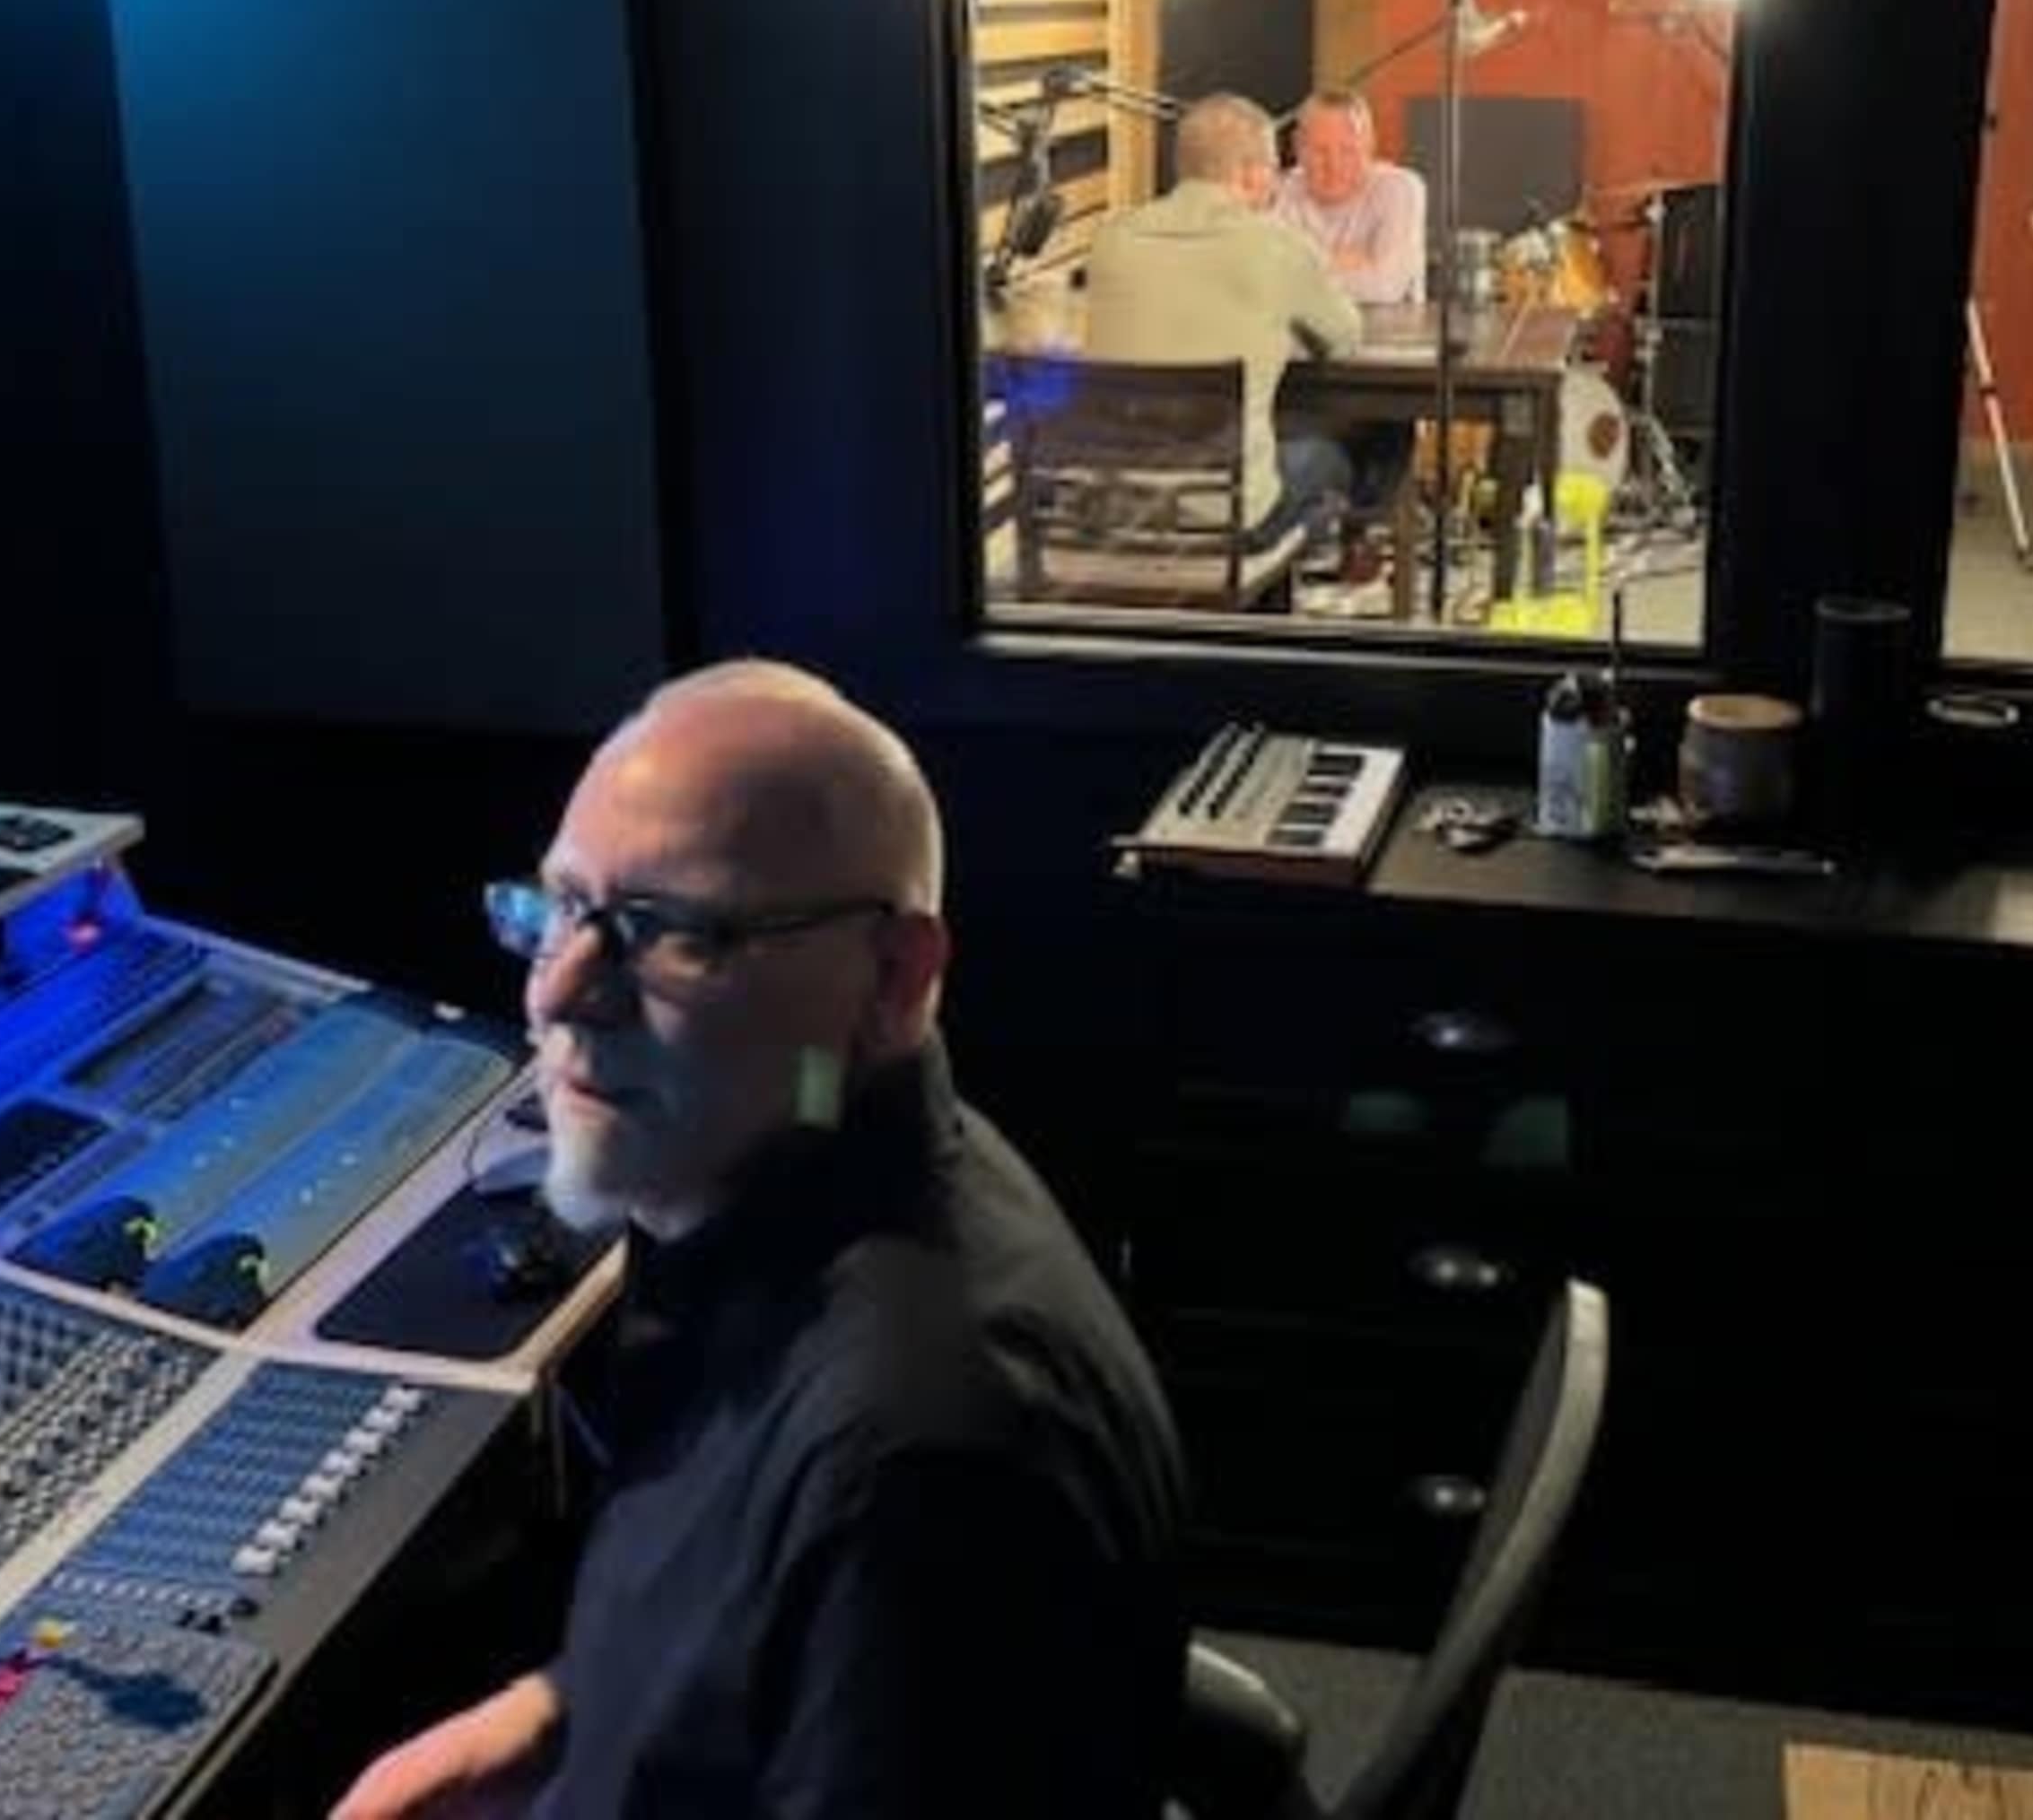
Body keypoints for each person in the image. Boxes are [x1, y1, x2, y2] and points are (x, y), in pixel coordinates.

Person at [330, 661, 1187, 1820]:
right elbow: (735, 1644)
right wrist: (551, 1720)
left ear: (894, 976)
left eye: (675, 935)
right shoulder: (753, 1193)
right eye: (558, 912)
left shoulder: (915, 1465)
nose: (564, 994)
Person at [1084, 91, 1364, 546]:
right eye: (1273, 169)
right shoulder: (1278, 247)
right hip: (1224, 519)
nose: (1274, 183)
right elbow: (1346, 338)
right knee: (1339, 454)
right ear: (1250, 174)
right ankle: (1290, 599)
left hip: (1113, 507)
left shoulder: (1109, 240)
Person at [1272, 86, 1427, 307]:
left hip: (1388, 337)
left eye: (1348, 151)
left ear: (1370, 145)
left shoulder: (1400, 189)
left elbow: (1386, 288)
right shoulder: (1282, 190)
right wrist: (1340, 260)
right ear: (1298, 148)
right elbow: (1261, 283)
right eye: (1320, 151)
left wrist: (1301, 268)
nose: (1334, 165)